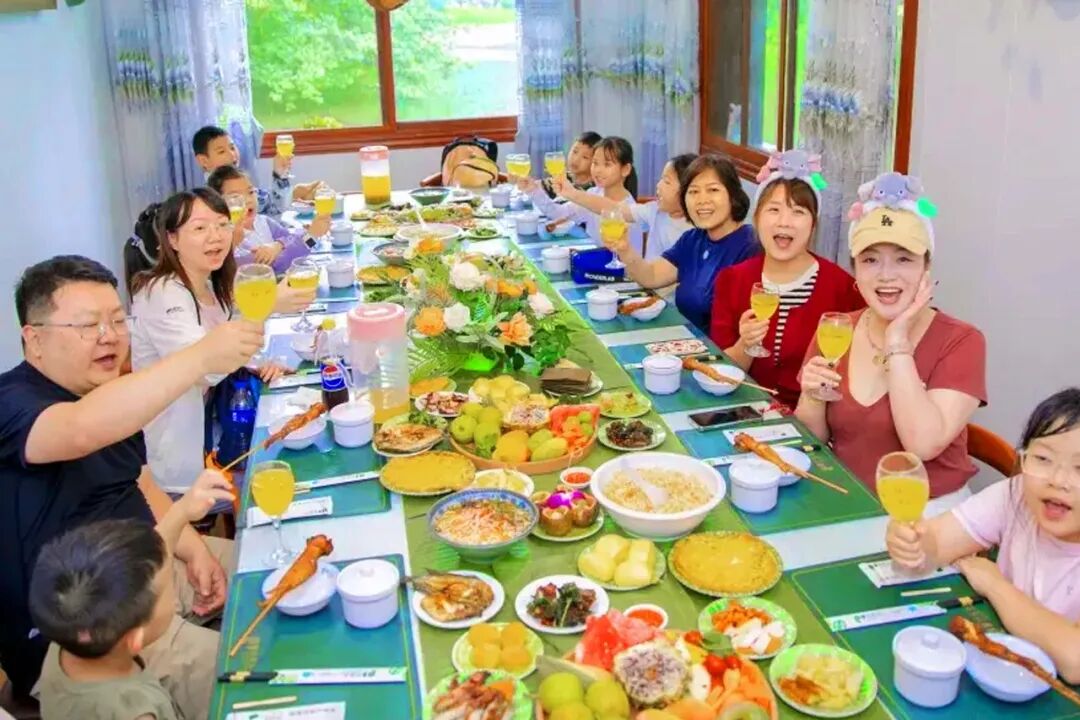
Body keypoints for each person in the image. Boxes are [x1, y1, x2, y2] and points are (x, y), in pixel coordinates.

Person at [0, 255, 262, 709]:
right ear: (34, 339)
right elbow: (79, 430)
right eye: (88, 325)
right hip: (91, 630)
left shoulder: (108, 393)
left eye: (118, 320)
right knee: (265, 671)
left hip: (153, 559)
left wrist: (195, 551)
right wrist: (201, 356)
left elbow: (141, 483)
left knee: (276, 571)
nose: (109, 336)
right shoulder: (12, 403)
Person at [795, 172, 986, 498]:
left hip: (928, 509)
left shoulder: (962, 341)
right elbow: (813, 441)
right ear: (855, 269)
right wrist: (811, 396)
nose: (886, 275)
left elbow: (922, 444)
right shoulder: (837, 329)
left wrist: (897, 340)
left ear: (926, 267)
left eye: (903, 259)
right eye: (870, 260)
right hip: (848, 498)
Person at [886, 388, 1080, 683]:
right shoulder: (1016, 494)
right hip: (1001, 669)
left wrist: (994, 584)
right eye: (1043, 458)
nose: (1058, 480)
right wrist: (911, 542)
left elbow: (1074, 660)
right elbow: (935, 544)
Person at [129, 189, 310, 494]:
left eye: (222, 224)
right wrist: (264, 305)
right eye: (200, 228)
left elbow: (223, 336)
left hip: (218, 432)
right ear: (172, 239)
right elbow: (205, 368)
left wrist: (255, 364)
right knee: (286, 479)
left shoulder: (209, 284)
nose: (216, 236)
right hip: (181, 462)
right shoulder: (162, 294)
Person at [31, 470, 235, 720]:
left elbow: (147, 566)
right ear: (137, 638)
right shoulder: (136, 712)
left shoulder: (70, 632)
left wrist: (181, 512)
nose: (167, 578)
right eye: (164, 587)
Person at [709, 150, 864, 407]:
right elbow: (720, 374)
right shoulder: (732, 280)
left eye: (798, 212)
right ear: (757, 218)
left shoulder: (843, 288)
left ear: (813, 224)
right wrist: (745, 344)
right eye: (774, 209)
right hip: (744, 410)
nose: (785, 222)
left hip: (814, 419)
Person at [600, 154, 758, 332]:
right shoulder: (692, 239)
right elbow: (651, 276)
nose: (702, 200)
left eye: (713, 190)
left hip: (721, 348)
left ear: (733, 195)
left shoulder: (751, 245)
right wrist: (625, 249)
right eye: (693, 192)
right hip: (688, 339)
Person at [551, 152, 696, 259]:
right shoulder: (654, 211)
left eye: (667, 182)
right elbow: (613, 208)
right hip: (648, 287)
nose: (658, 185)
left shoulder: (696, 232)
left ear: (689, 190)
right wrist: (571, 193)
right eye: (661, 179)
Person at [521, 136, 645, 255]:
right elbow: (559, 213)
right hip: (594, 261)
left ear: (625, 169)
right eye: (595, 163)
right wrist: (534, 191)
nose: (598, 170)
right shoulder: (593, 193)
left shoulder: (630, 212)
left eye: (607, 164)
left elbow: (629, 259)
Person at [207, 165, 323, 274]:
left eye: (250, 192)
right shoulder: (225, 240)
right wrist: (312, 235)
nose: (248, 200)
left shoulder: (264, 222)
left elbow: (296, 238)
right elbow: (279, 263)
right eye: (235, 197)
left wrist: (278, 245)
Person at [192, 125, 322, 216]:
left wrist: (281, 175)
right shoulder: (211, 197)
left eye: (232, 148)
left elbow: (271, 204)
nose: (232, 154)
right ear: (203, 161)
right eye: (221, 151)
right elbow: (275, 209)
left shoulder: (237, 179)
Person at [540, 130, 602, 198]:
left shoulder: (597, 188)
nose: (576, 160)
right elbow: (539, 187)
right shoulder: (564, 177)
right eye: (575, 151)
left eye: (585, 157)